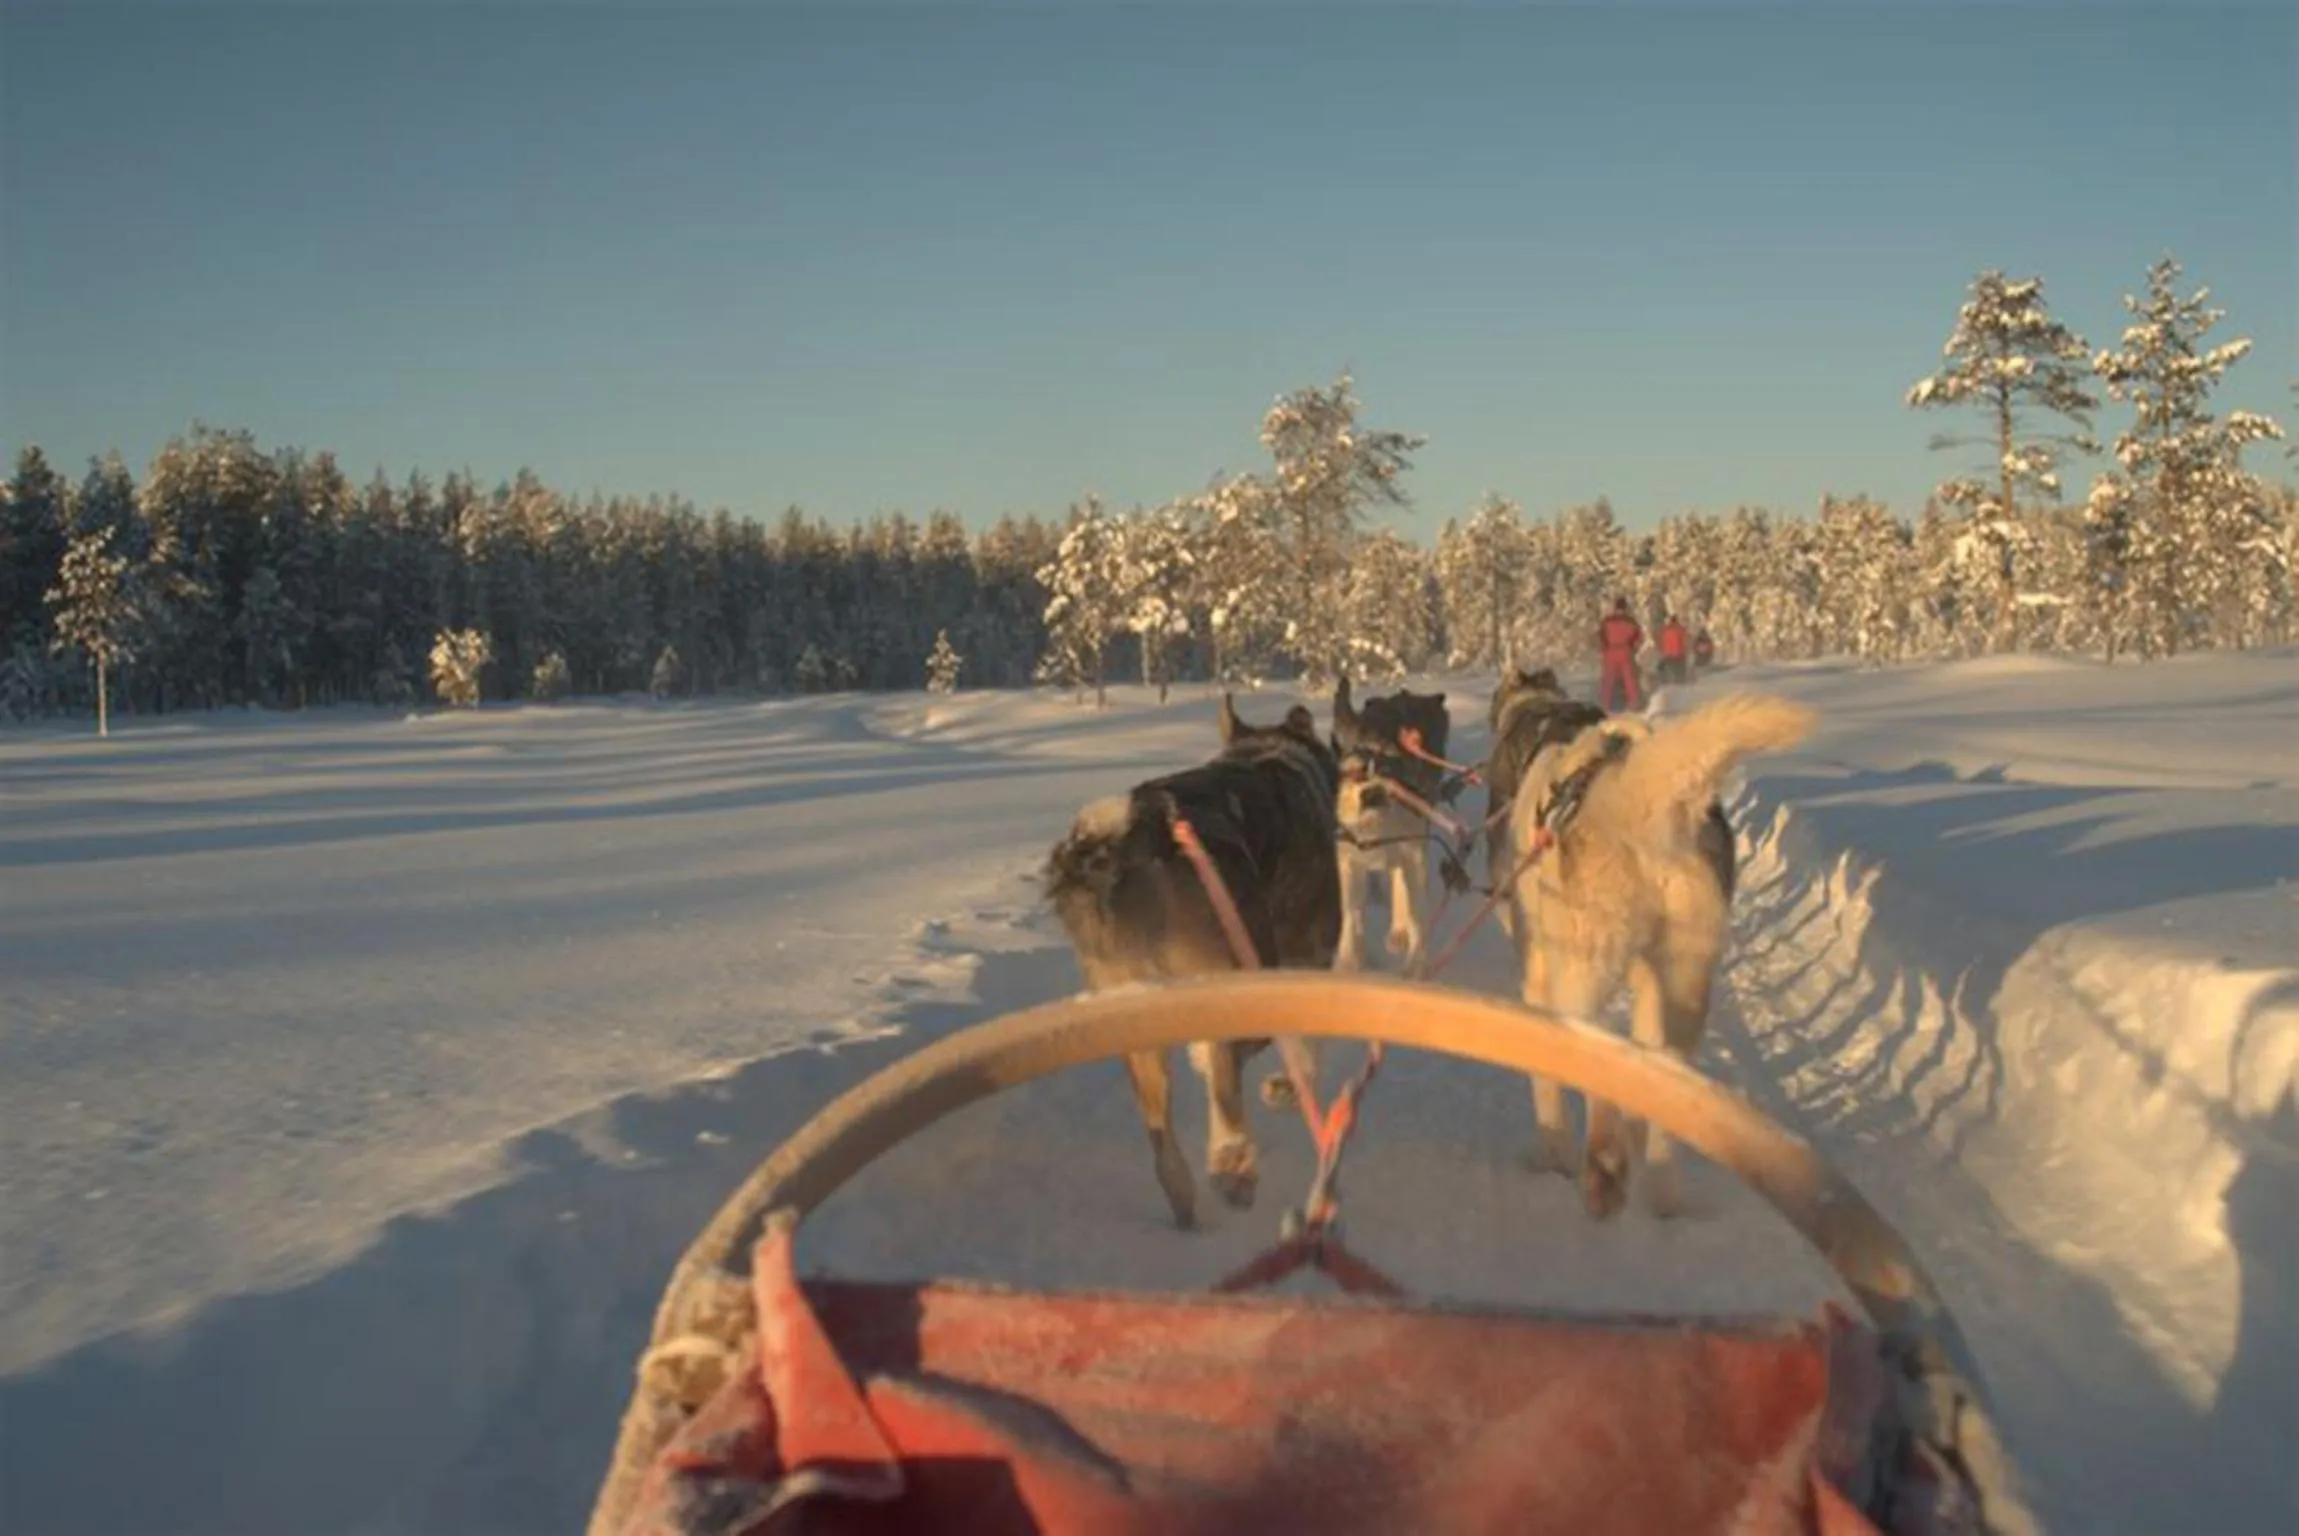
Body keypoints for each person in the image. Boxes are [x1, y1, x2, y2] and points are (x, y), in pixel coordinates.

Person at [1595, 597, 1643, 712]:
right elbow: (1639, 637)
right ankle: (1634, 704)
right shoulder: (1630, 621)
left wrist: (1604, 648)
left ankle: (1604, 704)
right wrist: (1633, 647)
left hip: (1611, 650)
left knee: (1608, 679)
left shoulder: (1607, 621)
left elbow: (1600, 636)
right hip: (1625, 650)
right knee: (1629, 679)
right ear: (1625, 607)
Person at [1657, 614, 1689, 685]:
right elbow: (1686, 640)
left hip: (1669, 655)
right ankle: (1681, 680)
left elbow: (1661, 642)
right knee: (1680, 671)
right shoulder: (1680, 629)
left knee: (1663, 668)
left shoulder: (1665, 630)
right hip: (1679, 654)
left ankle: (1667, 681)